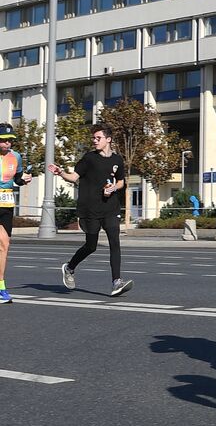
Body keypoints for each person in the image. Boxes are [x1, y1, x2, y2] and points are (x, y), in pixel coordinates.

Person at [51, 124, 131, 297]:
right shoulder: (89, 158)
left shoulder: (117, 160)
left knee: (114, 243)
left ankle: (116, 281)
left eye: (98, 138)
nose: (94, 141)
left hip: (110, 208)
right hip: (91, 210)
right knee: (91, 246)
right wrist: (60, 172)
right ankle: (70, 267)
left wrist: (113, 189)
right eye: (94, 138)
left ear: (108, 139)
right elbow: (74, 177)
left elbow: (121, 182)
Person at [0, 124, 32, 304]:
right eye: (5, 140)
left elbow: (17, 178)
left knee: (4, 244)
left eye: (11, 139)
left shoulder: (16, 157)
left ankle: (1, 287)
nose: (9, 143)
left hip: (6, 204)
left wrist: (24, 180)